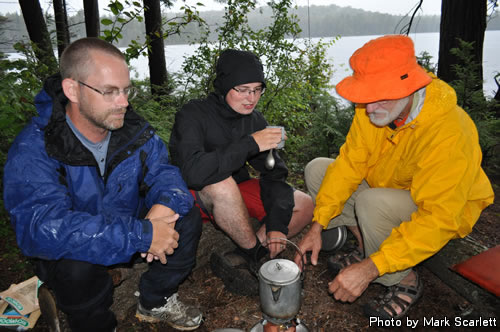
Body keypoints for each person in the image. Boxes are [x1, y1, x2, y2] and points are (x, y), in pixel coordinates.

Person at [3, 38, 203, 331]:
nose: (123, 102)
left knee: (185, 214)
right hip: (78, 247)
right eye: (109, 92)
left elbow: (164, 172)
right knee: (76, 269)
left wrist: (164, 207)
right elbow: (42, 228)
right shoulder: (35, 148)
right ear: (72, 89)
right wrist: (140, 235)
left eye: (125, 90)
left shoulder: (133, 130)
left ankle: (155, 299)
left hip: (128, 225)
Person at [295, 35, 494, 319]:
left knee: (371, 203)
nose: (370, 108)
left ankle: (403, 279)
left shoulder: (448, 131)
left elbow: (439, 217)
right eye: (366, 96)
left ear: (410, 87)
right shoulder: (374, 107)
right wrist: (318, 223)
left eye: (380, 97)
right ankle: (366, 247)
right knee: (318, 170)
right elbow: (350, 163)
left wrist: (372, 268)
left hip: (446, 209)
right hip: (390, 187)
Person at [169, 49, 314, 295]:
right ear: (225, 86)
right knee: (221, 183)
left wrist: (276, 224)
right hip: (192, 196)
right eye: (243, 89)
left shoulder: (254, 119)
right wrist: (250, 143)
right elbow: (192, 173)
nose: (252, 97)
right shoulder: (193, 114)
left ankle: (245, 254)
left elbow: (273, 174)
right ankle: (256, 255)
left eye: (258, 89)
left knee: (305, 203)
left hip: (235, 193)